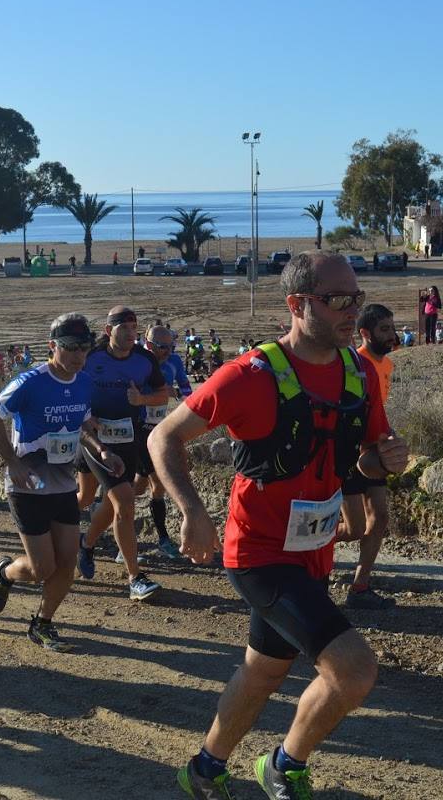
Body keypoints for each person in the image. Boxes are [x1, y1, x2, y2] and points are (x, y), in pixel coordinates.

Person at [148, 252, 406, 799]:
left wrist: (384, 461)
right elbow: (162, 437)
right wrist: (192, 510)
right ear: (297, 305)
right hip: (259, 553)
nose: (350, 312)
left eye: (355, 299)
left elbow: (362, 458)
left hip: (313, 552)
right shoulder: (248, 376)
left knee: (263, 671)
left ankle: (204, 769)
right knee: (354, 670)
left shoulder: (359, 374)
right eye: (337, 300)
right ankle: (285, 765)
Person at [0, 313, 111, 651]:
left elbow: (80, 422)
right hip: (28, 486)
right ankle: (6, 573)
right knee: (42, 568)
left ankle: (42, 623)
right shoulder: (30, 382)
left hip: (64, 486)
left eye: (84, 348)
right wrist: (11, 462)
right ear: (52, 346)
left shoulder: (83, 381)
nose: (78, 356)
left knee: (66, 565)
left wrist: (100, 450)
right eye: (69, 348)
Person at [76, 306, 168, 601]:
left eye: (134, 328)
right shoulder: (92, 358)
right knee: (87, 498)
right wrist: (85, 415)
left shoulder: (144, 360)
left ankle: (94, 549)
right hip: (94, 437)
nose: (131, 334)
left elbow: (163, 392)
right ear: (108, 331)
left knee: (121, 501)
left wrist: (141, 398)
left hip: (128, 437)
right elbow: (72, 388)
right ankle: (127, 572)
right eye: (124, 328)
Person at [337, 304, 397, 610]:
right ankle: (296, 549)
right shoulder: (355, 364)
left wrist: (388, 440)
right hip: (349, 452)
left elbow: (378, 410)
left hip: (372, 449)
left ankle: (360, 587)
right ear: (365, 333)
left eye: (392, 327)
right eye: (384, 329)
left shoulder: (386, 365)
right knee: (353, 529)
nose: (391, 335)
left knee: (381, 516)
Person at [135, 325, 192, 561]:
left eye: (171, 346)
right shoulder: (137, 360)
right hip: (137, 430)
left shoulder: (175, 361)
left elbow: (187, 390)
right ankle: (120, 533)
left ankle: (162, 539)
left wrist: (174, 392)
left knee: (154, 486)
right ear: (149, 344)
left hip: (160, 430)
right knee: (141, 487)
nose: (168, 351)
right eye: (162, 347)